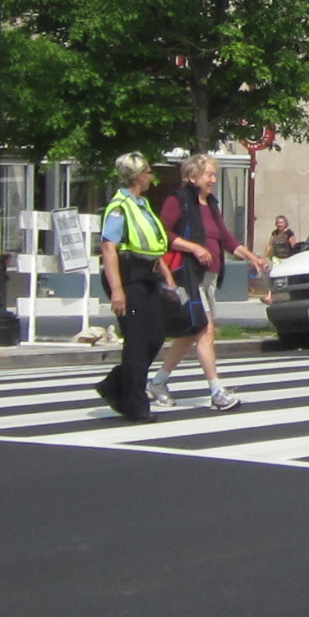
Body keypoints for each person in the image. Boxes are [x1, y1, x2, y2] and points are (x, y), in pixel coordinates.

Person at [152, 154, 262, 413]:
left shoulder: (210, 204)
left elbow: (226, 238)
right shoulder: (178, 201)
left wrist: (252, 257)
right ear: (193, 177)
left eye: (214, 175)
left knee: (191, 333)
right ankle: (216, 391)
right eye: (209, 175)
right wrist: (193, 247)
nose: (214, 179)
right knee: (206, 332)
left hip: (209, 278)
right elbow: (161, 234)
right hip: (190, 276)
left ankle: (158, 382)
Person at [94, 152, 176, 421]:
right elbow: (109, 247)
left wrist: (165, 274)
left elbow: (151, 246)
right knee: (138, 341)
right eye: (149, 171)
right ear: (139, 175)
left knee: (156, 335)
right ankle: (135, 404)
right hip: (129, 277)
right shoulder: (120, 206)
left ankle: (117, 383)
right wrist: (117, 290)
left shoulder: (142, 204)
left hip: (148, 275)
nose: (152, 177)